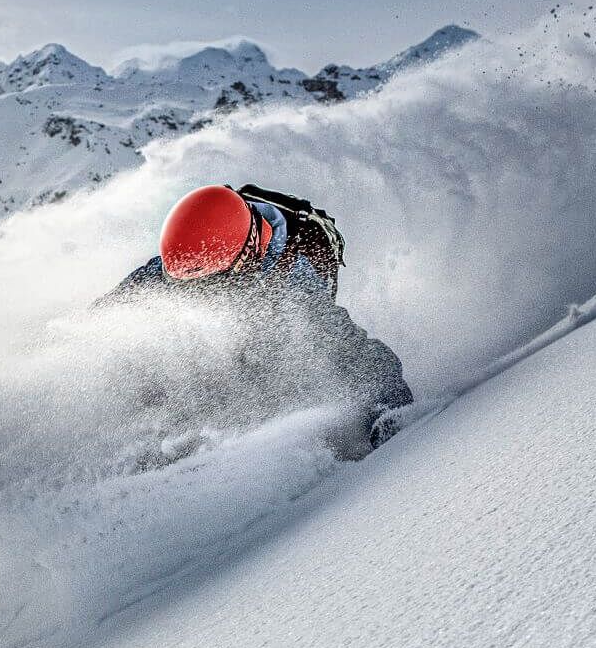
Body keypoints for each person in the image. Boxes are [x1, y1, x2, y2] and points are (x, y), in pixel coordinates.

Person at [101, 184, 412, 458]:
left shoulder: (294, 288)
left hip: (281, 313)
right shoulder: (194, 258)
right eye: (183, 285)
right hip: (240, 279)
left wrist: (389, 420)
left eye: (207, 286)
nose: (194, 295)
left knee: (267, 362)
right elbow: (129, 299)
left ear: (244, 261)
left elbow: (364, 359)